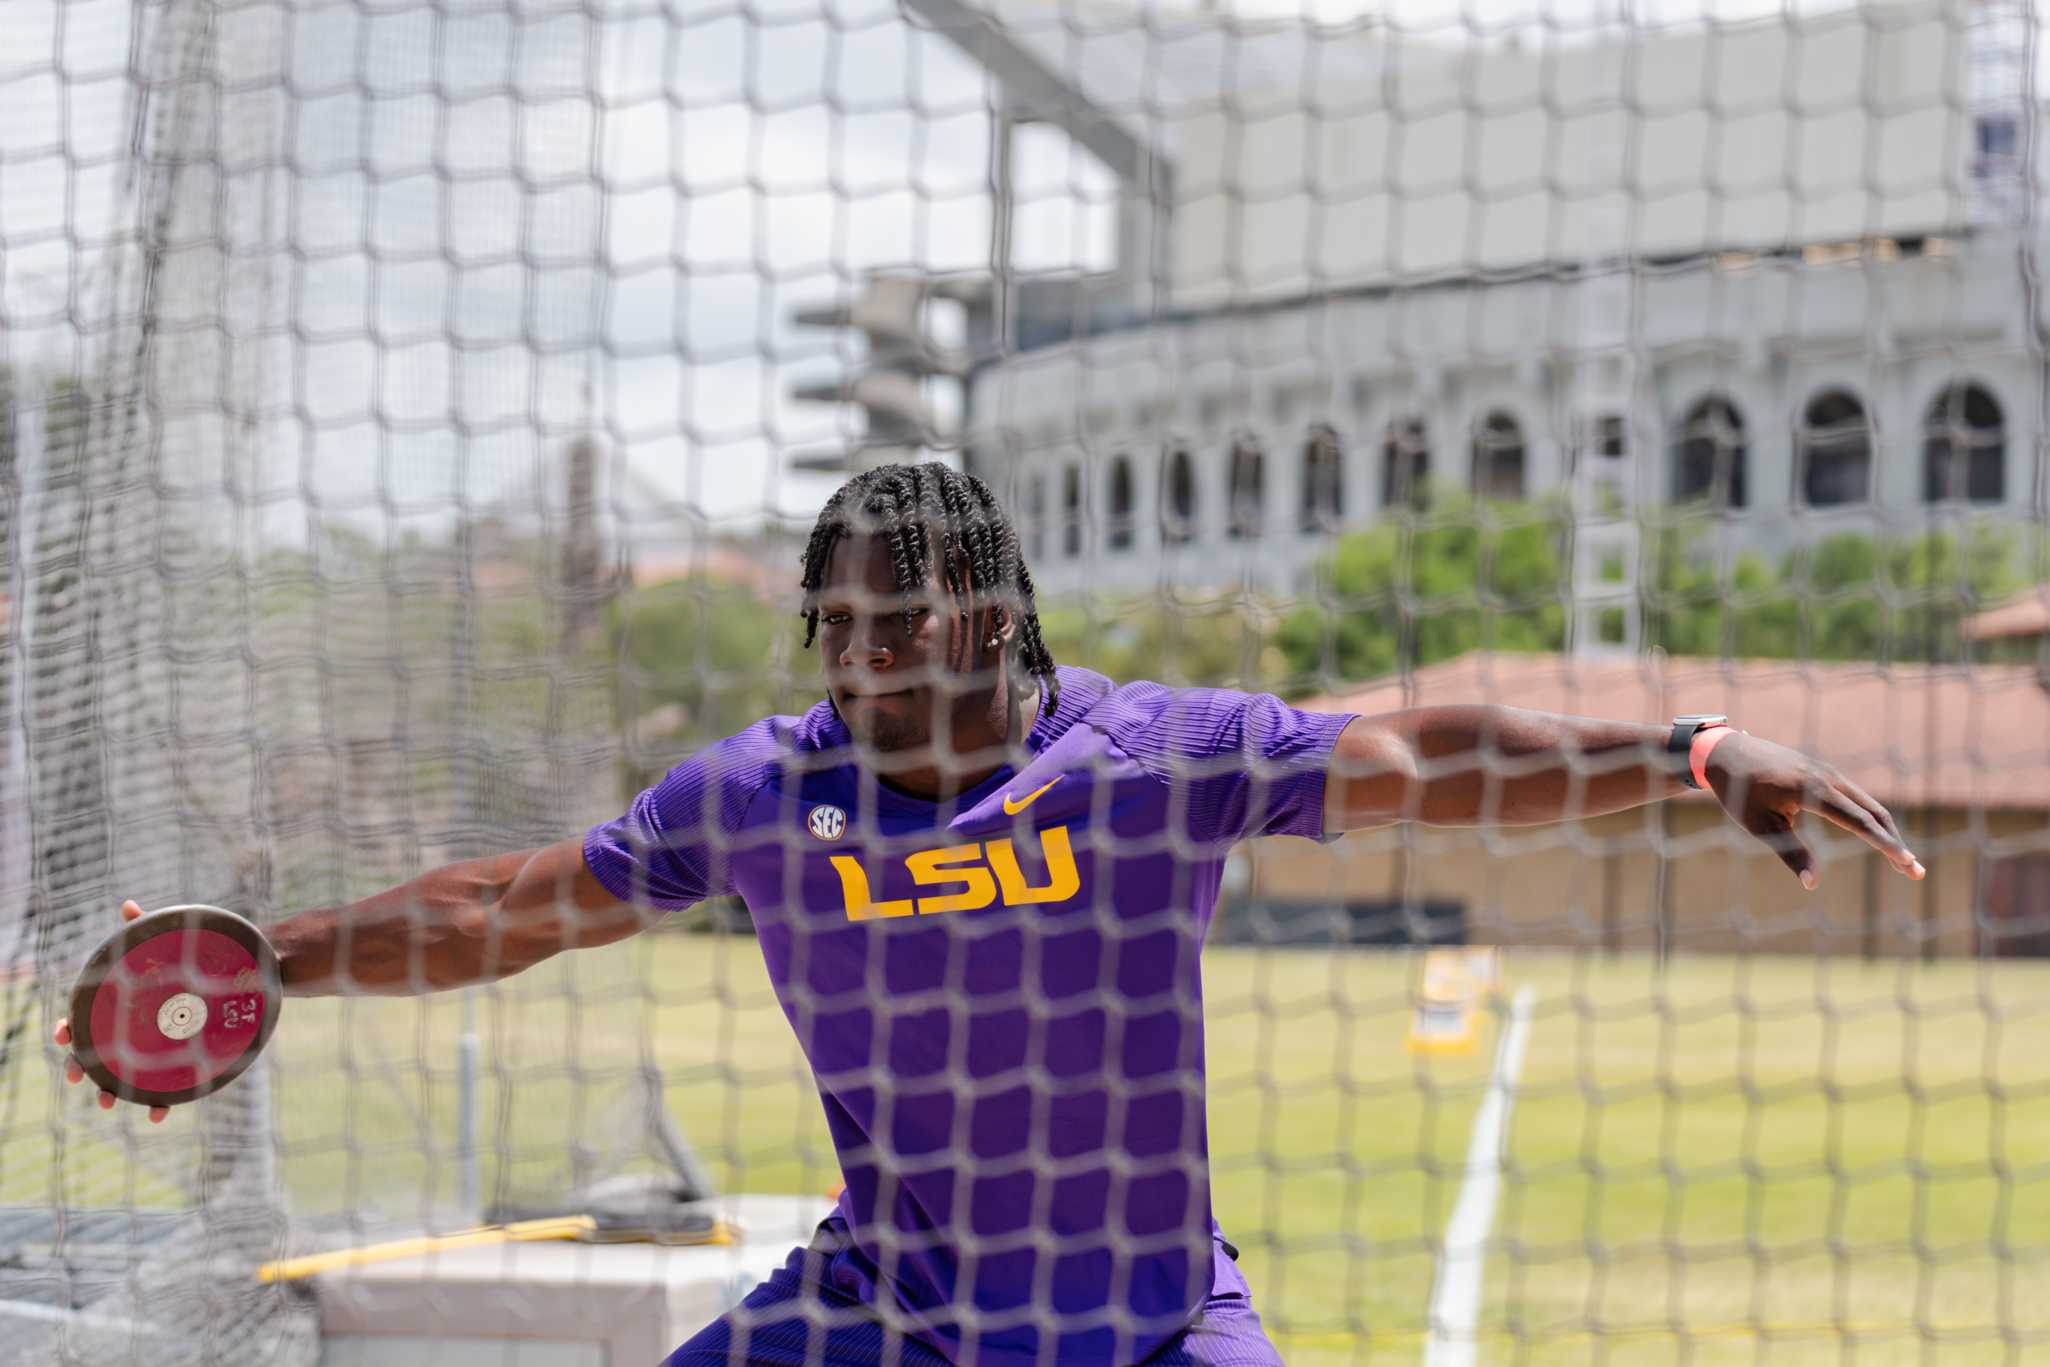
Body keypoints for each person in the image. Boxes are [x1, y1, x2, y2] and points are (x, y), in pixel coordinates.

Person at [57, 462, 1924, 1365]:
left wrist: (1685, 746)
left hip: (1141, 1325)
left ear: (996, 616)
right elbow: (513, 909)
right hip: (891, 1313)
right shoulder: (765, 796)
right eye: (842, 628)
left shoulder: (1158, 757)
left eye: (909, 622)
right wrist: (266, 959)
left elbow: (1435, 755)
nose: (870, 659)